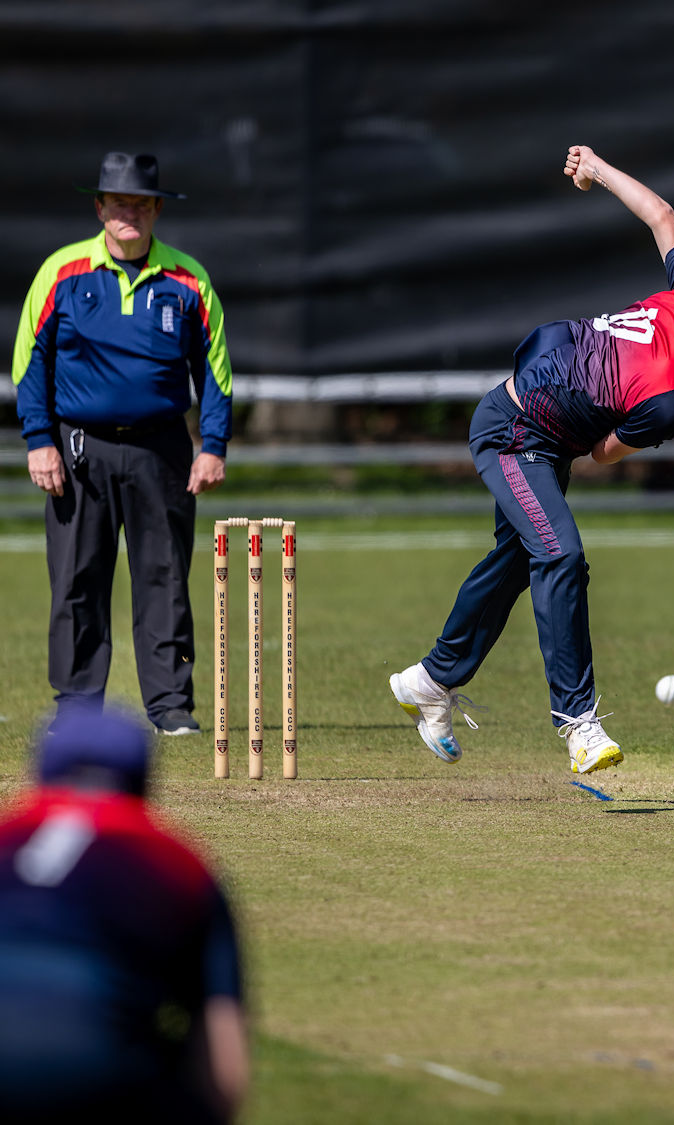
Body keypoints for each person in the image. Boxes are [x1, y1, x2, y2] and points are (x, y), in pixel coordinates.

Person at [390, 144, 674, 775]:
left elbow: (660, 215)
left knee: (522, 558)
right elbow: (604, 453)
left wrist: (598, 169)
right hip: (514, 432)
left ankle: (429, 680)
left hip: (542, 435)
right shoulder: (672, 404)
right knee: (560, 554)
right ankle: (578, 722)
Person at [12, 152, 233, 736]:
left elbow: (214, 370)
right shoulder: (63, 271)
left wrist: (213, 445)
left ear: (157, 209)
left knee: (165, 580)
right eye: (118, 203)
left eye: (140, 203)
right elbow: (29, 363)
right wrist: (39, 440)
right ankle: (78, 710)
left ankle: (171, 707)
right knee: (77, 580)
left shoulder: (188, 278)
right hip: (77, 448)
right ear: (100, 208)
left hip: (161, 450)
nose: (129, 213)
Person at [0, 708, 249, 1121]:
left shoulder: (7, 832)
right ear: (143, 782)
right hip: (97, 1071)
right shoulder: (178, 861)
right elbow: (225, 1070)